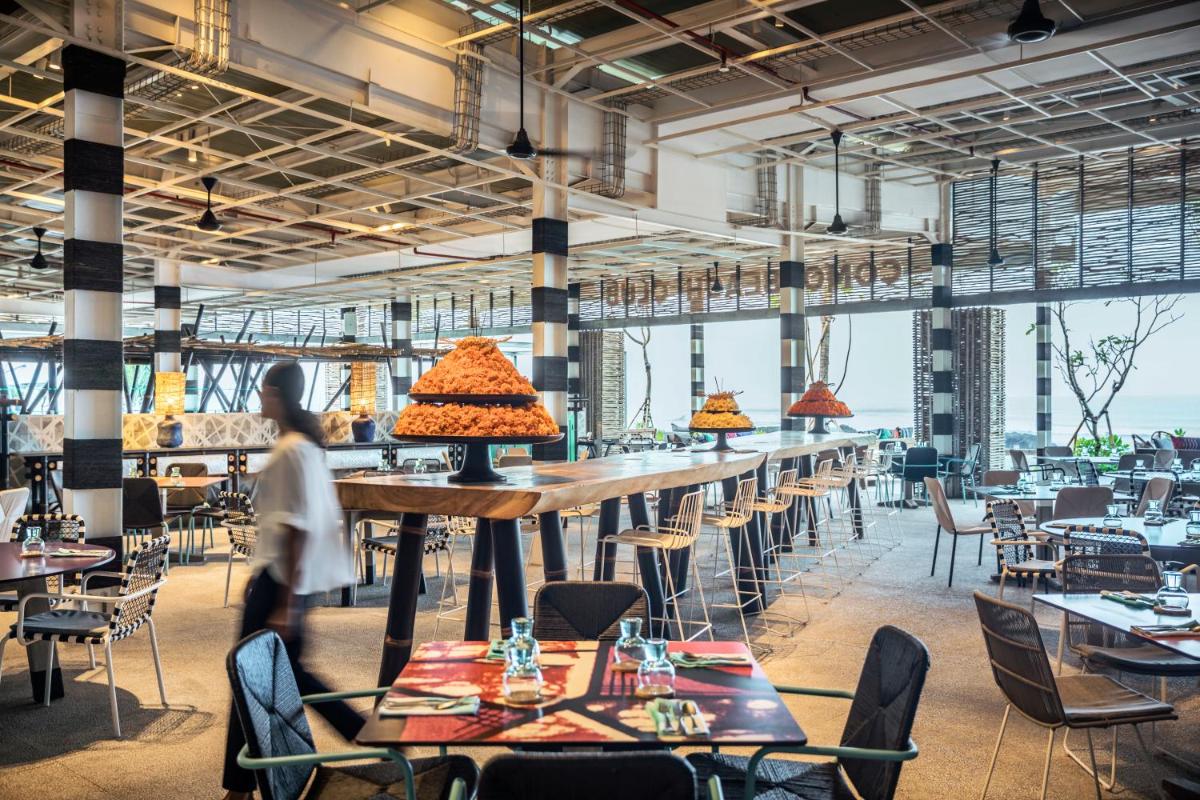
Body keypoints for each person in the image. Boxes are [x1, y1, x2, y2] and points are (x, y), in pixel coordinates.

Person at [222, 361, 360, 800]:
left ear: (276, 394)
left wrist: (285, 601)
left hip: (284, 584)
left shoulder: (289, 451)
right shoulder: (305, 447)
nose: (259, 398)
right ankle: (240, 788)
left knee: (257, 680)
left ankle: (363, 730)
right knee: (270, 678)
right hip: (287, 579)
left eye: (263, 390)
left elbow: (296, 530)